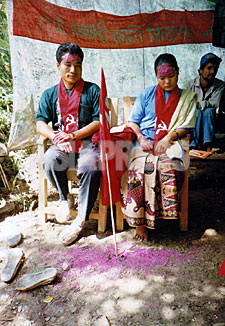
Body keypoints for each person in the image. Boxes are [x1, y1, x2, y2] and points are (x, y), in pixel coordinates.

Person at [120, 53, 197, 242]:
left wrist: (168, 138)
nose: (167, 81)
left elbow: (187, 124)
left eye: (171, 76)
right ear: (156, 76)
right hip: (144, 144)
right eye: (162, 78)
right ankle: (140, 223)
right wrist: (141, 138)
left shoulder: (187, 98)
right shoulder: (147, 94)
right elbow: (133, 122)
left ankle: (162, 217)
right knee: (139, 169)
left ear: (178, 73)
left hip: (171, 144)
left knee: (166, 167)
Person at [36, 43, 101, 245]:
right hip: (62, 144)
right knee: (49, 159)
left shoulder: (92, 90)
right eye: (68, 64)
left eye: (78, 65)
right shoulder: (49, 94)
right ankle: (65, 199)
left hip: (87, 143)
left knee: (91, 167)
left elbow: (98, 121)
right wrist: (55, 136)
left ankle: (80, 220)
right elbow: (40, 122)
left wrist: (73, 136)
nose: (73, 70)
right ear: (58, 66)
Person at [185, 52, 224, 152]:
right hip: (192, 119)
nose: (213, 71)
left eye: (215, 68)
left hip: (211, 120)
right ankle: (193, 146)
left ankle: (208, 146)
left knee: (208, 111)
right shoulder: (189, 85)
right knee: (197, 112)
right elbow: (184, 104)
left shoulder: (220, 85)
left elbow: (215, 103)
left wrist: (199, 104)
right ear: (200, 70)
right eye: (209, 68)